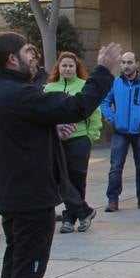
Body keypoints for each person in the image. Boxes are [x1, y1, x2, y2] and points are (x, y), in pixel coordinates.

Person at [0, 32, 121, 278]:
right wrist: (102, 70)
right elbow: (77, 106)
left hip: (13, 191)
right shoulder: (19, 93)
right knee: (29, 266)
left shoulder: (1, 89)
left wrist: (47, 129)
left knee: (16, 261)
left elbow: (25, 126)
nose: (34, 58)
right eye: (28, 52)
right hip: (29, 195)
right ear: (12, 59)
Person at [43, 52, 101, 234]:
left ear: (76, 68)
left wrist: (91, 135)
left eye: (71, 66)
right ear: (58, 68)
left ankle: (70, 219)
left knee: (77, 179)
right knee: (59, 179)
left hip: (80, 140)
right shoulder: (50, 88)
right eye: (64, 66)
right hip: (56, 141)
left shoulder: (84, 86)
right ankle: (84, 212)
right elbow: (44, 114)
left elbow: (94, 112)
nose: (67, 69)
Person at [100, 51, 140, 212]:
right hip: (120, 132)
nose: (126, 66)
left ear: (137, 64)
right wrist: (112, 118)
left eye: (129, 62)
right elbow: (105, 102)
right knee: (115, 167)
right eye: (123, 62)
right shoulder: (115, 83)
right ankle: (112, 200)